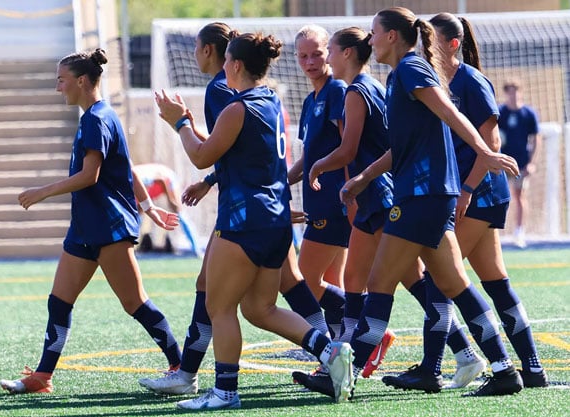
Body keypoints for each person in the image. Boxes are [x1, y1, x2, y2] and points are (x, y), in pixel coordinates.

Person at [155, 32, 354, 410]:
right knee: (260, 309)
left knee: (220, 307)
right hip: (275, 219)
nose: (224, 66)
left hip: (244, 219)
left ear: (236, 65)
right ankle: (330, 352)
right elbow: (235, 154)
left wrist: (179, 122)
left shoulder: (237, 108)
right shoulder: (271, 101)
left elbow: (201, 156)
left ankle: (225, 392)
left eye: (228, 59)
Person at [336, 7, 522, 397]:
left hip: (422, 195)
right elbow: (403, 146)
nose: (369, 41)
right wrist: (364, 177)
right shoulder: (397, 76)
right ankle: (504, 368)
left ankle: (344, 374)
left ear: (391, 37)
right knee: (454, 284)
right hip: (427, 195)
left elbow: (450, 111)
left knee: (379, 282)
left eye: (373, 33)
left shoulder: (410, 68)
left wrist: (484, 153)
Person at [293, 25, 484, 397]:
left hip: (383, 197)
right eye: (305, 55)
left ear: (345, 53)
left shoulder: (356, 90)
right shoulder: (363, 87)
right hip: (373, 196)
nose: (316, 60)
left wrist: (332, 174)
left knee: (381, 284)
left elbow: (350, 151)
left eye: (322, 51)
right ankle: (462, 352)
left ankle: (340, 365)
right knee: (393, 284)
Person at [0, 48, 183, 395]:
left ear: (81, 81)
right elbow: (126, 166)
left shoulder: (97, 118)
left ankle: (181, 367)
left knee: (135, 304)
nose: (58, 88)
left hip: (108, 227)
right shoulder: (98, 115)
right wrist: (148, 206)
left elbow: (90, 176)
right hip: (86, 226)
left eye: (61, 81)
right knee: (59, 301)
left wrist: (43, 192)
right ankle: (42, 376)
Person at [382, 12, 548, 392]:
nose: (425, 46)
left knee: (444, 280)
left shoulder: (470, 81)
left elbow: (491, 145)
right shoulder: (429, 79)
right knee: (494, 282)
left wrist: (467, 191)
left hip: (479, 194)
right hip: (465, 193)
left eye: (432, 39)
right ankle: (532, 368)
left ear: (453, 44)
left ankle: (433, 368)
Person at [139, 22, 238, 396]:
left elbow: (212, 151)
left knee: (255, 305)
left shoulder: (218, 89)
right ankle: (187, 374)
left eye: (197, 48)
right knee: (271, 295)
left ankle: (335, 350)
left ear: (210, 51)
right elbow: (230, 149)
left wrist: (180, 123)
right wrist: (211, 181)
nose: (194, 54)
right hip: (254, 204)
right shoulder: (248, 94)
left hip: (245, 209)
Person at [287, 24, 350, 339]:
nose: (309, 62)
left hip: (332, 201)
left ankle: (365, 326)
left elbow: (348, 147)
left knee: (304, 280)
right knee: (331, 281)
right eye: (303, 56)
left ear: (331, 53)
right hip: (319, 201)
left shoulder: (337, 90)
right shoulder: (312, 100)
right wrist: (283, 182)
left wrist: (349, 193)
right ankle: (343, 347)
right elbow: (309, 157)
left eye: (316, 54)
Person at [498, 79, 540, 248]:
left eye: (515, 90)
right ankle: (497, 231)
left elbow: (536, 138)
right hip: (502, 163)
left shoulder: (528, 114)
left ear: (520, 92)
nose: (513, 94)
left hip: (520, 163)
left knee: (519, 195)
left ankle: (519, 232)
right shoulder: (501, 112)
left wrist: (531, 162)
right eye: (509, 90)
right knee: (499, 197)